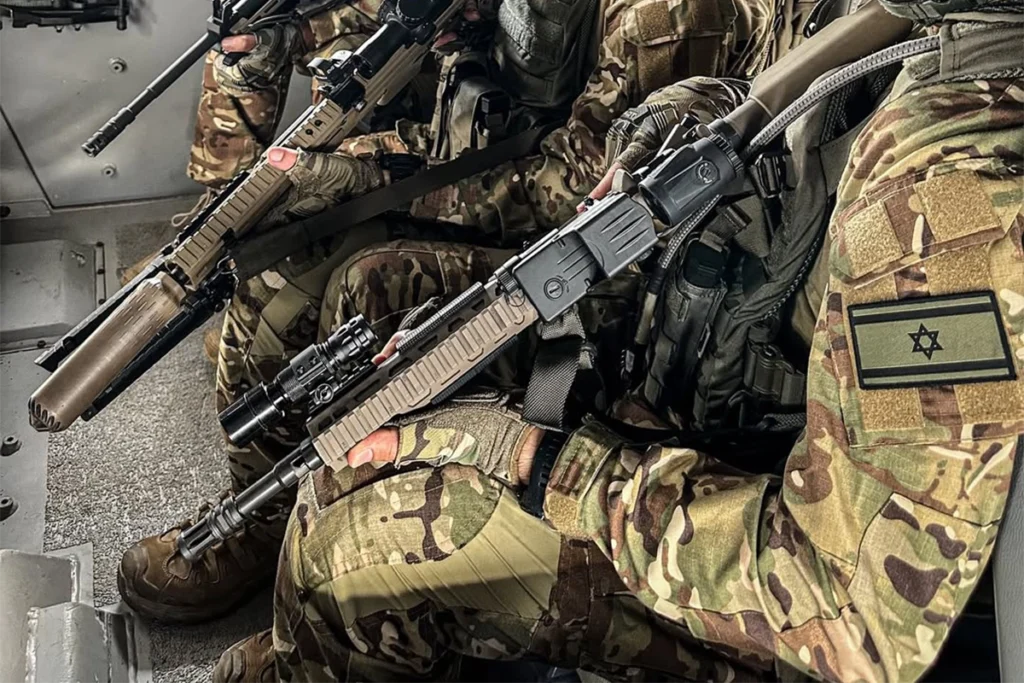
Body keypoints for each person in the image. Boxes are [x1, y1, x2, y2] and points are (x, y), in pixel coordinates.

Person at [211, 0, 1024, 680]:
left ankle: (331, 619)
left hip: (764, 589)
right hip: (699, 380)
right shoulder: (904, 17)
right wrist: (689, 109)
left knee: (346, 545)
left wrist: (539, 461)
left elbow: (854, 616)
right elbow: (781, 93)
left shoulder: (953, 205)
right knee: (386, 358)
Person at [119, 0, 792, 625]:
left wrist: (380, 184)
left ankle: (297, 527)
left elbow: (568, 192)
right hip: (494, 172)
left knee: (363, 282)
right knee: (284, 248)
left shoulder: (668, 16)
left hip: (585, 254)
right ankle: (263, 517)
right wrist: (296, 37)